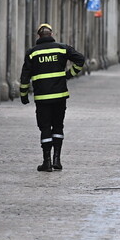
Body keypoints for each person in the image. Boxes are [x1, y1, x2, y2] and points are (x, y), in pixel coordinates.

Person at [20, 23, 85, 172]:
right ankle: (57, 159)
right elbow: (80, 59)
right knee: (58, 126)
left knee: (45, 127)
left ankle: (46, 162)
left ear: (38, 36)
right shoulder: (62, 48)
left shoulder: (32, 53)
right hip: (60, 96)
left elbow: (25, 76)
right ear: (51, 34)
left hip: (42, 98)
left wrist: (23, 95)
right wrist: (69, 74)